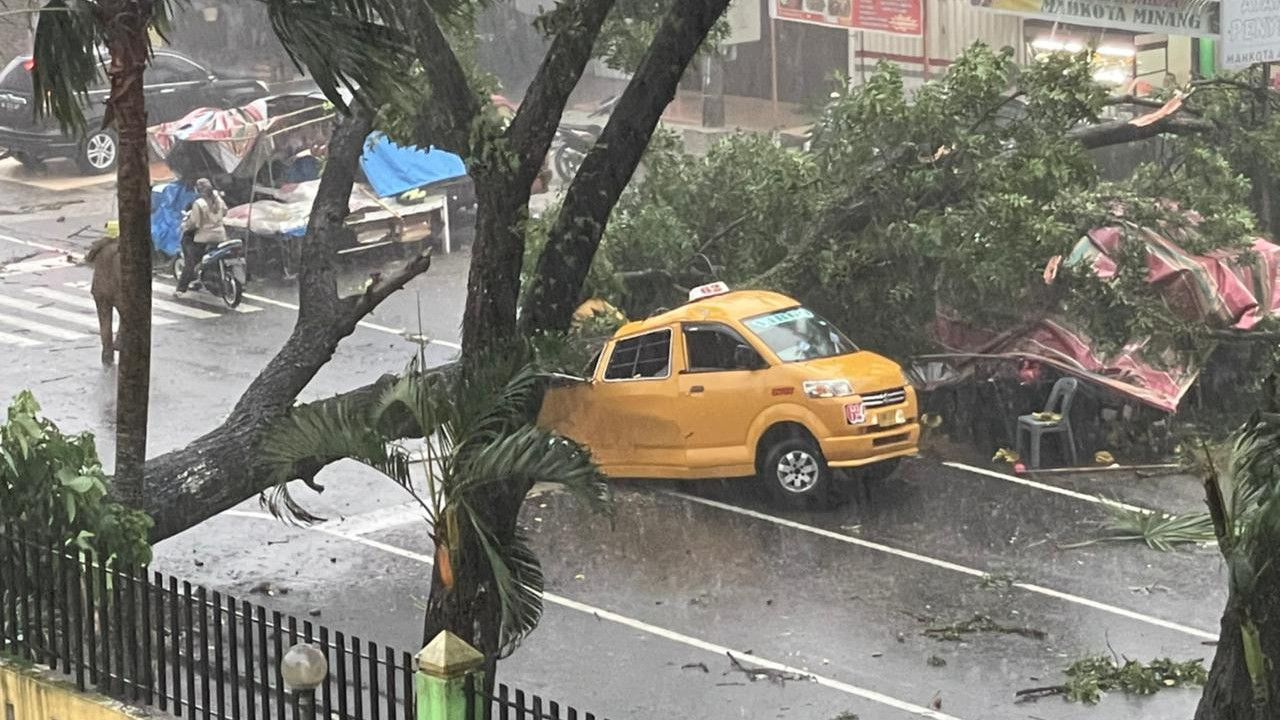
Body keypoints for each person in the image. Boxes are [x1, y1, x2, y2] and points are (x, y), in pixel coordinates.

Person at [175, 178, 228, 295]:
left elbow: (195, 223)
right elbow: (225, 212)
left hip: (203, 238)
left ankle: (180, 289)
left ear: (198, 190)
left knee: (190, 261)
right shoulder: (218, 199)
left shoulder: (199, 203)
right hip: (220, 236)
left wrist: (185, 226)